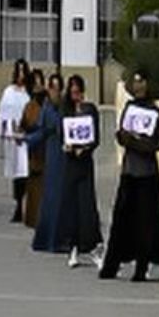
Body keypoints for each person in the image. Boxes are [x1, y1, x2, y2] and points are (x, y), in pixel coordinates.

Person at [100, 72, 159, 281]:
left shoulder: (156, 111)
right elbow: (121, 134)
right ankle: (112, 264)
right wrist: (127, 138)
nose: (139, 86)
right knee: (121, 219)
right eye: (136, 82)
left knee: (146, 223)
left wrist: (134, 141)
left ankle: (142, 266)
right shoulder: (130, 107)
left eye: (143, 82)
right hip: (129, 171)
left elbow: (155, 143)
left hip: (147, 174)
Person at [55, 75, 105, 266]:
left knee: (87, 205)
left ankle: (94, 246)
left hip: (84, 163)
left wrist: (85, 149)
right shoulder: (65, 111)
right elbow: (62, 136)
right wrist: (67, 147)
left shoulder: (90, 110)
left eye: (78, 91)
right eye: (73, 91)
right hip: (70, 164)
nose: (76, 95)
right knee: (72, 206)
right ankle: (73, 247)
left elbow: (95, 138)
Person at [27, 73, 67, 250]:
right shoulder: (46, 107)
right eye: (52, 88)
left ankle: (62, 239)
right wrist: (26, 139)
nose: (54, 92)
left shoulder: (66, 108)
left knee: (63, 197)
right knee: (50, 196)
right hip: (51, 154)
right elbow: (41, 131)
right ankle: (47, 239)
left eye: (58, 88)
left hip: (65, 155)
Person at [0, 60, 33, 222]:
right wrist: (4, 130)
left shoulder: (29, 93)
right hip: (12, 138)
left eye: (23, 72)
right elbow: (2, 112)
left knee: (25, 171)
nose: (20, 76)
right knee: (16, 173)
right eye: (18, 72)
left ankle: (25, 205)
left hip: (25, 137)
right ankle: (18, 204)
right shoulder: (8, 92)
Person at [21, 69, 48, 227]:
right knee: (34, 184)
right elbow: (23, 125)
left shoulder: (48, 104)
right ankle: (32, 217)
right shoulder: (29, 106)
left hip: (46, 148)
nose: (38, 87)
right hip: (34, 151)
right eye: (35, 84)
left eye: (40, 83)